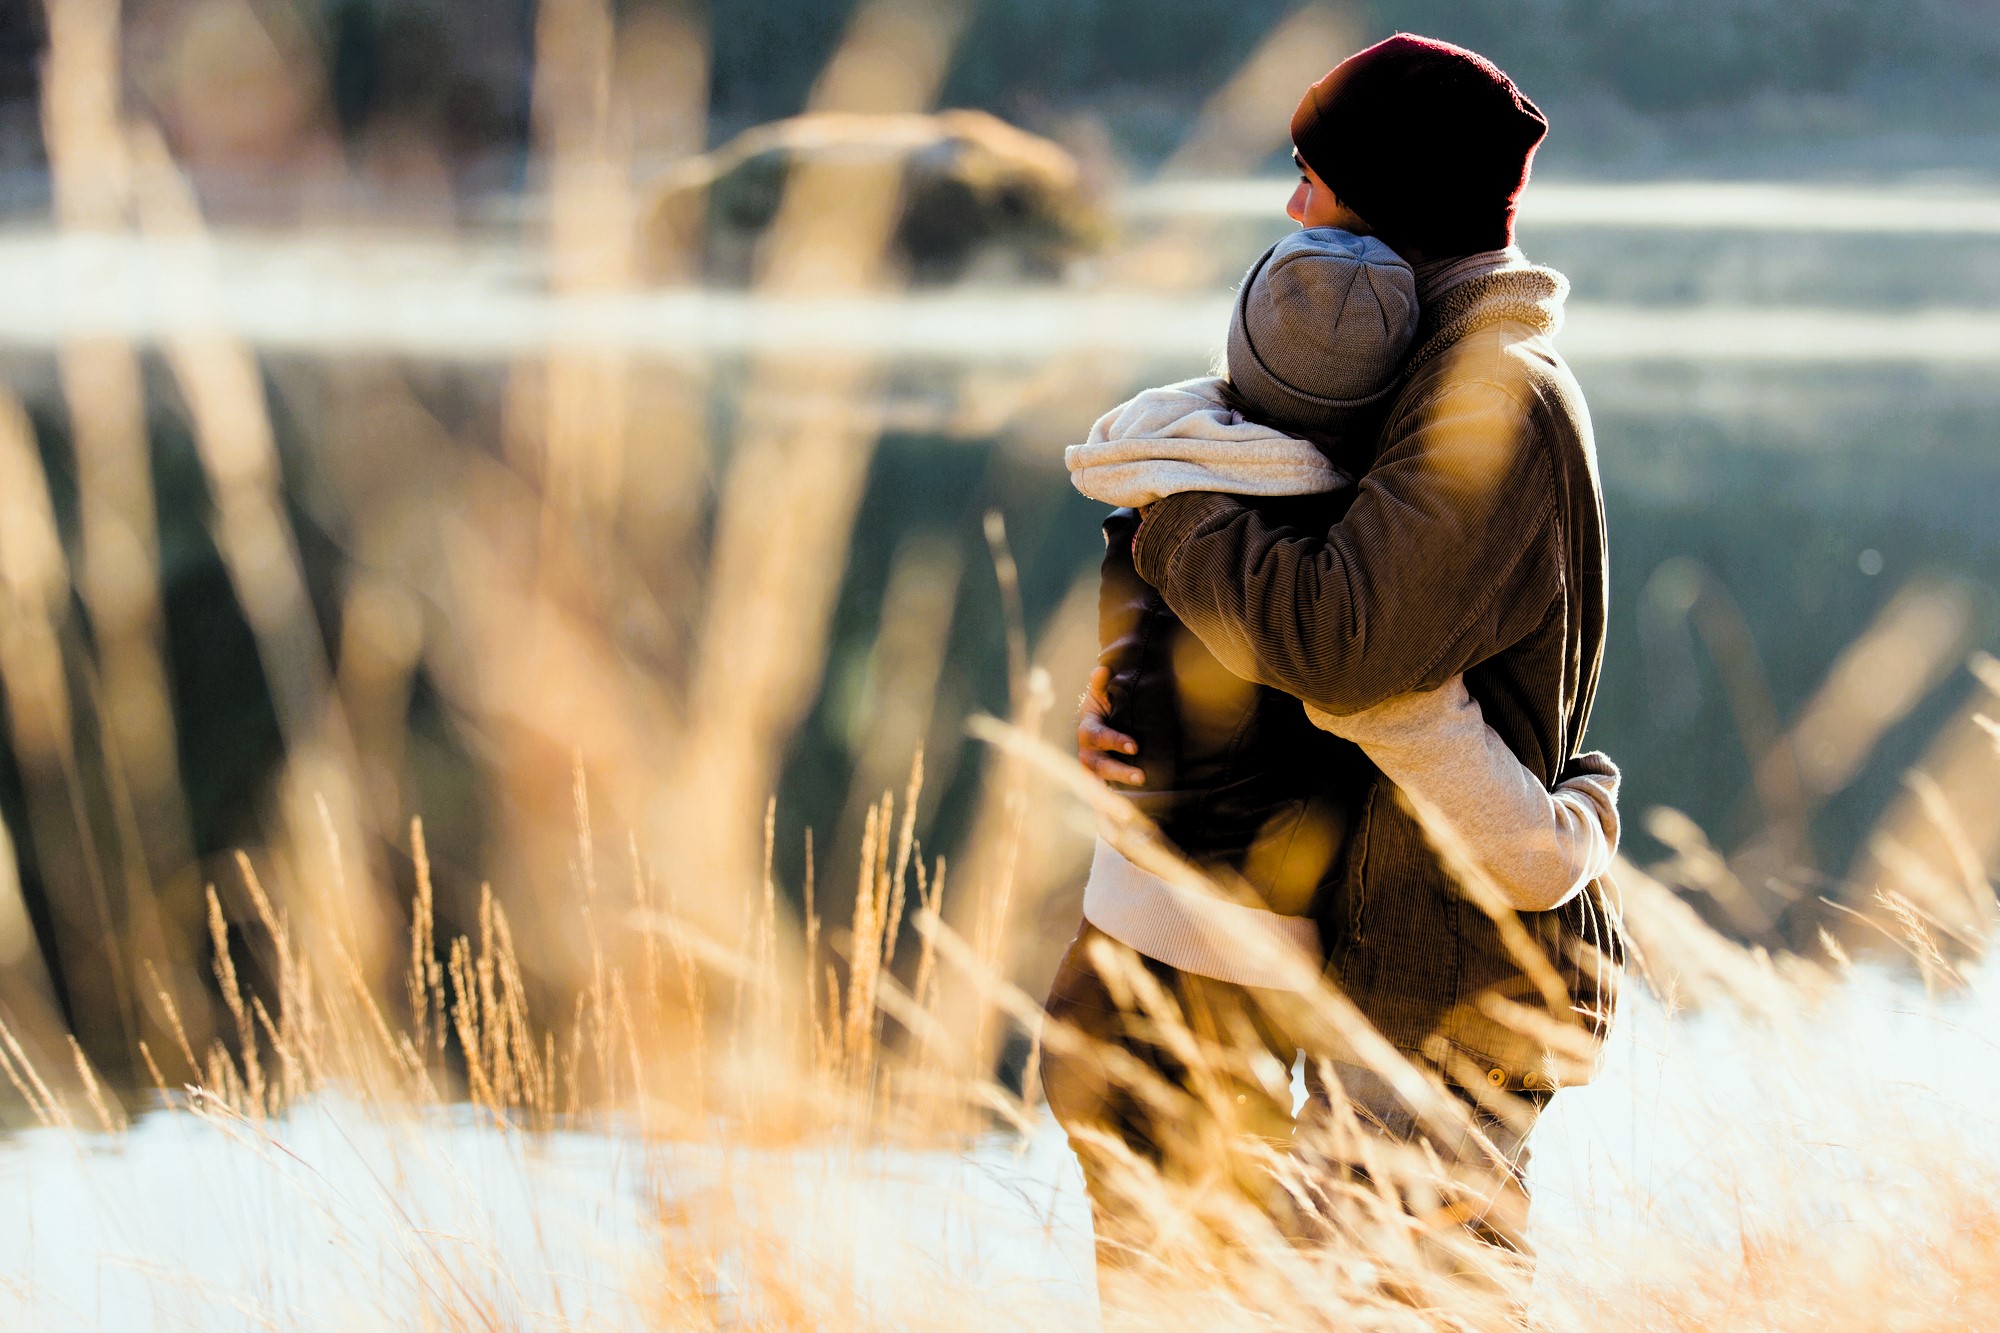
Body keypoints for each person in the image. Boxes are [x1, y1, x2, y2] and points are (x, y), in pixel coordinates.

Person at [1067, 33, 1624, 1261]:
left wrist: (1172, 513)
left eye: (1310, 178)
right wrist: (1148, 716)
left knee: (1414, 1288)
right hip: (1391, 939)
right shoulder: (1427, 374)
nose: (1290, 207)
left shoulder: (1489, 393)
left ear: (1391, 203)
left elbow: (1345, 646)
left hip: (1448, 973)